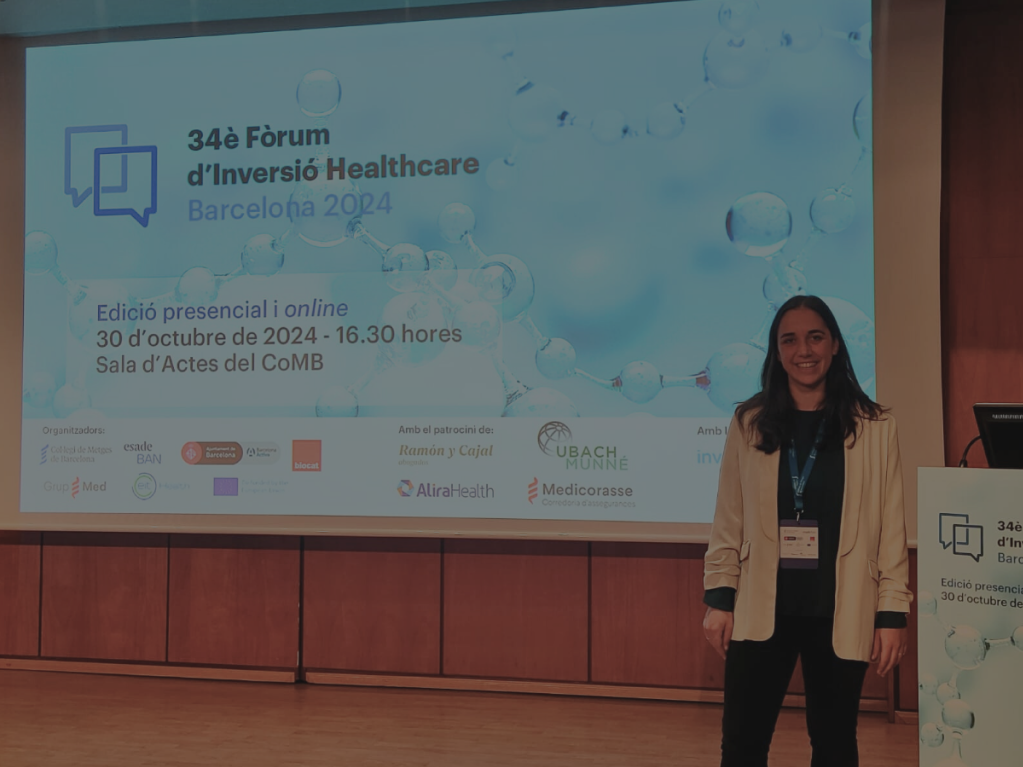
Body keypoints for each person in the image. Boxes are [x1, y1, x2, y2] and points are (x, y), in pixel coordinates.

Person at [702, 294, 912, 767]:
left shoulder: (876, 426)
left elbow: (891, 529)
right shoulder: (749, 422)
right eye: (790, 340)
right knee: (742, 745)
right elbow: (728, 519)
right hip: (761, 608)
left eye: (815, 337)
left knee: (835, 745)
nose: (804, 350)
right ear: (777, 352)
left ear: (835, 344)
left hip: (841, 607)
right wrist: (718, 598)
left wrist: (892, 613)